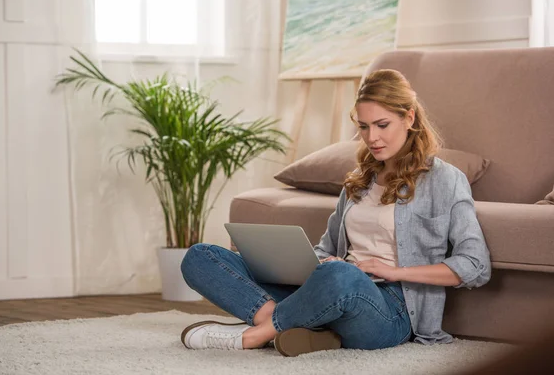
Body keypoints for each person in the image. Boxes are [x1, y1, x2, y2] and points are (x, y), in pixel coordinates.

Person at [179, 69, 492, 357]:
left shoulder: (445, 179)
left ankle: (254, 335)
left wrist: (393, 272)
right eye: (364, 127)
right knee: (200, 256)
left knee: (340, 275)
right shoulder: (360, 179)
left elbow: (475, 266)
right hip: (330, 289)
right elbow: (327, 250)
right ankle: (294, 325)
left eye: (382, 125)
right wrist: (308, 262)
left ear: (409, 118)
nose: (372, 138)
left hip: (391, 308)